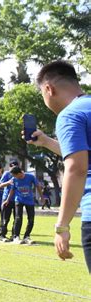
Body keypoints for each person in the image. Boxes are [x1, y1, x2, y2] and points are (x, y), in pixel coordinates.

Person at [31, 61, 90, 271]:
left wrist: (62, 226)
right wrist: (47, 142)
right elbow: (83, 155)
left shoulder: (70, 115)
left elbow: (77, 168)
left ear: (49, 89)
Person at [3, 166, 43, 244]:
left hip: (29, 200)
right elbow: (12, 190)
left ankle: (26, 236)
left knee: (31, 219)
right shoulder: (14, 179)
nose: (14, 177)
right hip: (19, 200)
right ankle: (16, 236)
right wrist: (7, 200)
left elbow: (38, 186)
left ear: (19, 173)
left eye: (14, 175)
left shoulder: (30, 177)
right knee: (18, 218)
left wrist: (42, 197)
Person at [0, 161, 20, 241]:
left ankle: (14, 235)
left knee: (17, 218)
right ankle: (2, 235)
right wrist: (8, 182)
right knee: (5, 218)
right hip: (6, 199)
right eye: (13, 166)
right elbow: (0, 185)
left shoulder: (20, 174)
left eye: (16, 166)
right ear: (10, 167)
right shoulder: (7, 174)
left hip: (17, 199)